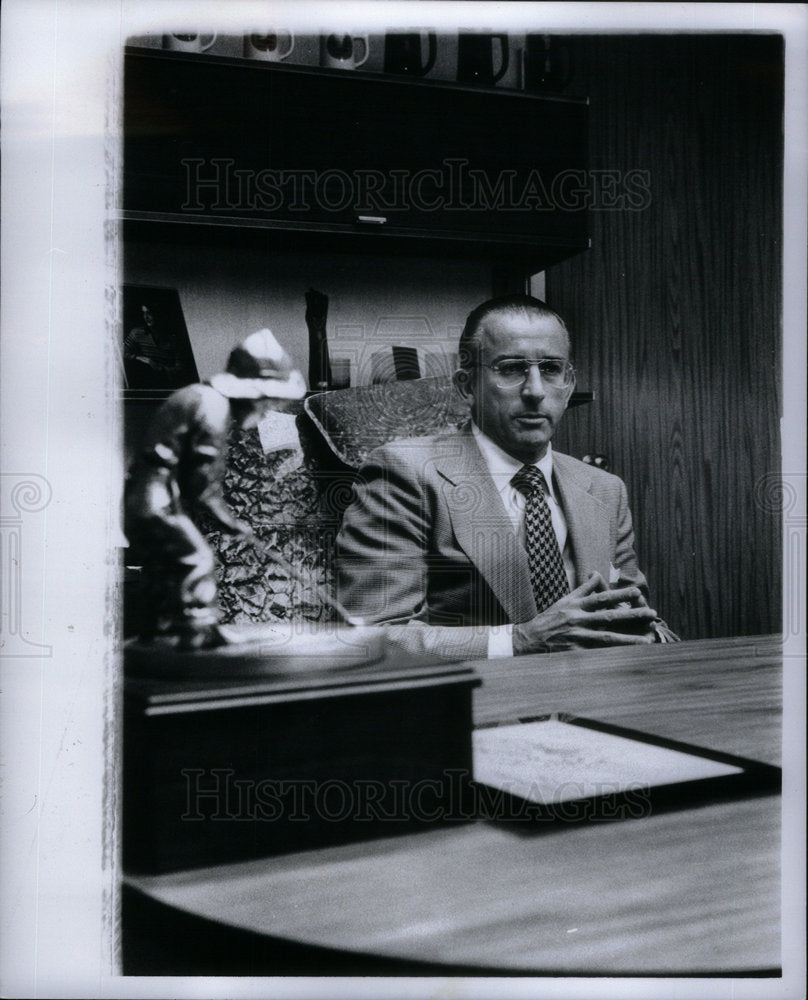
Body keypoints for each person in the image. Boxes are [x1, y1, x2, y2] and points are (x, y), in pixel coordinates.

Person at [336, 294, 678, 660]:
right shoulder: (404, 473)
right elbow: (372, 638)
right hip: (473, 706)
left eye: (550, 369)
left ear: (568, 383)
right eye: (511, 369)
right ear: (467, 385)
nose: (534, 390)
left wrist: (651, 637)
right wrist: (521, 641)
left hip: (593, 697)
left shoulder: (605, 490)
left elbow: (635, 615)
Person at [124, 328, 306, 650]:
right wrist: (233, 523)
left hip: (147, 494)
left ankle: (160, 631)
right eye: (266, 403)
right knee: (197, 559)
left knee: (163, 565)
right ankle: (199, 633)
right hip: (154, 497)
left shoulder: (199, 395)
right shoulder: (214, 407)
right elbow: (203, 484)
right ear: (253, 392)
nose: (266, 412)